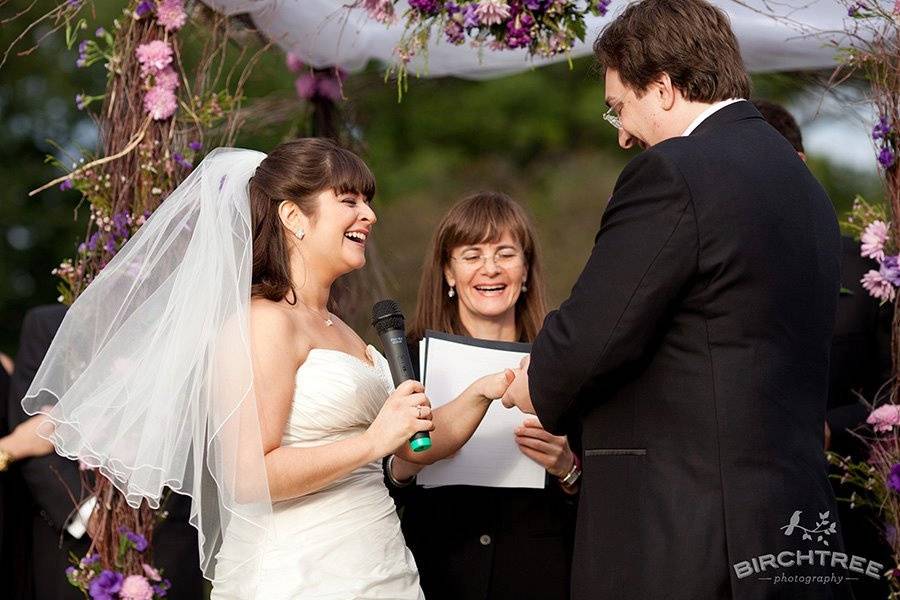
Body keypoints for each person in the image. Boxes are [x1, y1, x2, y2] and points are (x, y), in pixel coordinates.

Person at [21, 139, 511, 599]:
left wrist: (486, 390)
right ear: (294, 216)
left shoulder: (340, 327)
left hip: (378, 561)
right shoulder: (263, 322)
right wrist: (370, 443)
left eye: (368, 201)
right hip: (301, 572)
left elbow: (410, 440)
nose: (370, 215)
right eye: (350, 200)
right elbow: (249, 477)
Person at [501, 0, 849, 598]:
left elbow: (596, 331)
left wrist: (540, 379)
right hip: (793, 532)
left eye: (619, 107)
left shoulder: (676, 172)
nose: (621, 134)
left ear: (662, 86)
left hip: (689, 538)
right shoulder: (805, 188)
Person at [386, 192, 577, 600]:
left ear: (525, 270)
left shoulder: (564, 364)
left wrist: (567, 470)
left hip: (539, 577)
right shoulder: (409, 363)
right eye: (471, 255)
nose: (490, 269)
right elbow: (373, 487)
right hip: (436, 574)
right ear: (448, 273)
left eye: (505, 253)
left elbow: (605, 496)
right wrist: (405, 463)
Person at [754, 97, 893, 599]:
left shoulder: (870, 272)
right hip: (748, 514)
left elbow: (892, 387)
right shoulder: (708, 273)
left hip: (850, 504)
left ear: (798, 165)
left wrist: (834, 426)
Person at [8, 304, 204, 599]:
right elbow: (35, 433)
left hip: (171, 539)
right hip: (75, 546)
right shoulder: (49, 324)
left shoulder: (197, 316)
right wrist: (89, 513)